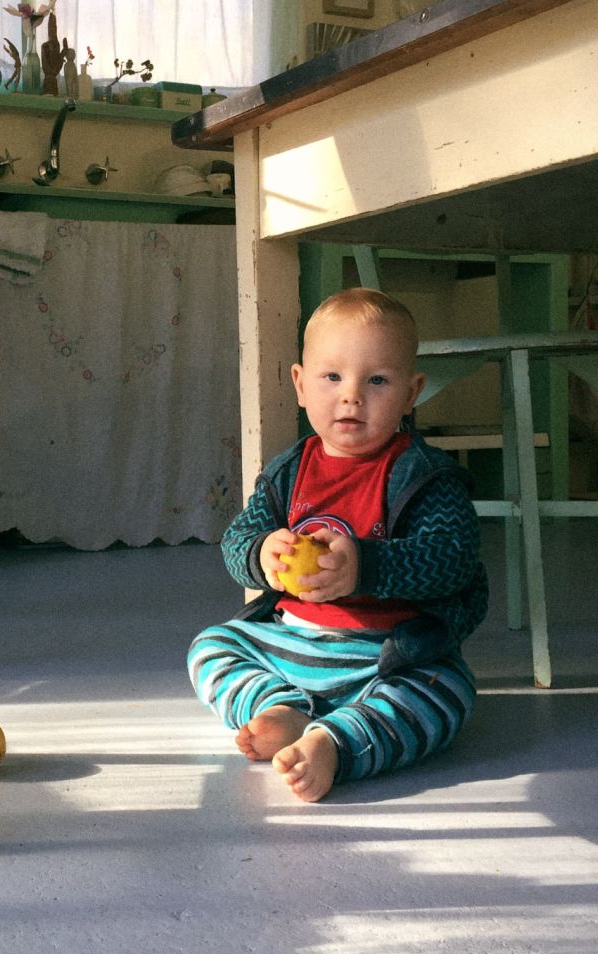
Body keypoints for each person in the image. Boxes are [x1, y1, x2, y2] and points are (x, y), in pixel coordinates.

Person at [187, 288, 487, 802]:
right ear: (300, 385)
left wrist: (365, 566)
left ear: (412, 392)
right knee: (210, 648)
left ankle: (336, 743)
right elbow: (236, 540)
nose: (352, 395)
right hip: (293, 644)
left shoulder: (425, 477)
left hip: (388, 656)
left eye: (377, 380)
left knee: (447, 693)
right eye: (332, 377)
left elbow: (453, 560)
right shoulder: (289, 471)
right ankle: (281, 707)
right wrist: (262, 554)